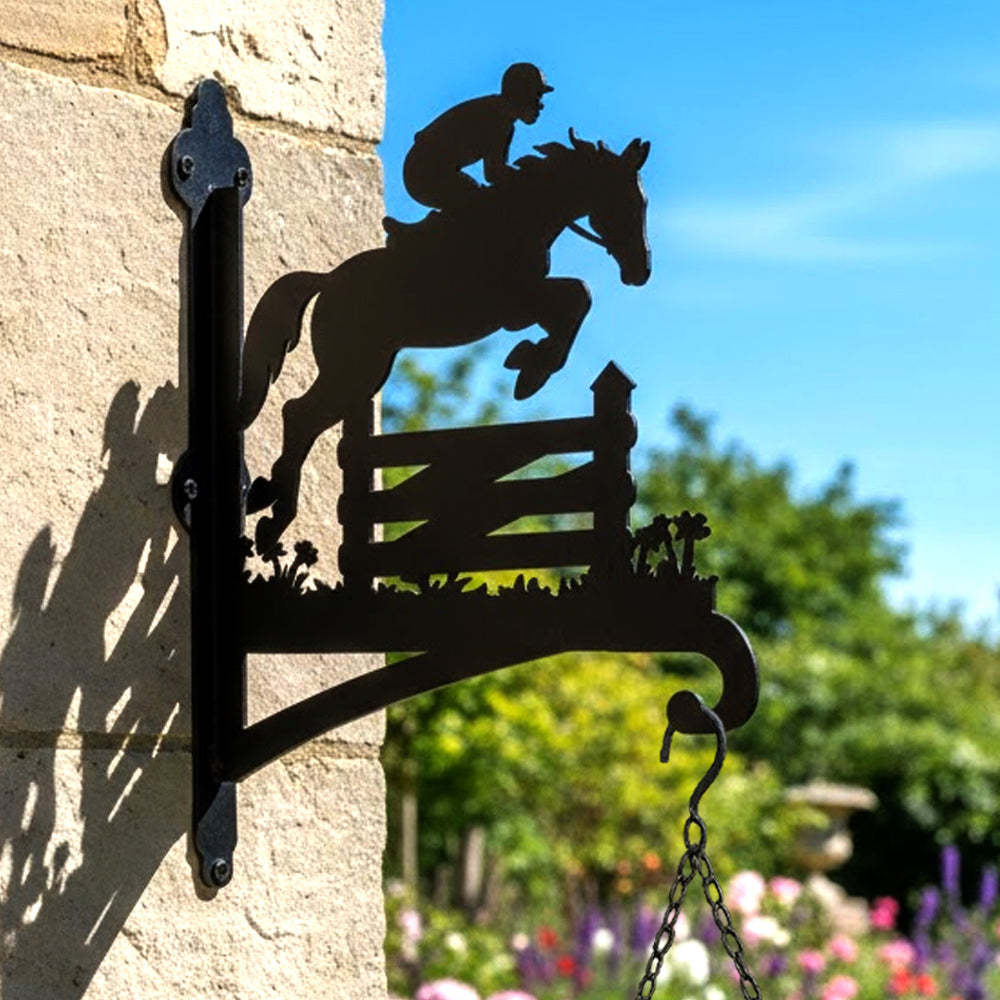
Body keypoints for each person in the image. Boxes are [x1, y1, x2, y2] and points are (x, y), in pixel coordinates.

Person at [401, 62, 554, 216]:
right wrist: (529, 178)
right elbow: (494, 173)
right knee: (481, 205)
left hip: (427, 169)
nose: (541, 105)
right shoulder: (496, 119)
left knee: (482, 202)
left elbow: (496, 173)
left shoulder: (502, 118)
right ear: (521, 94)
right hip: (424, 172)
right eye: (537, 96)